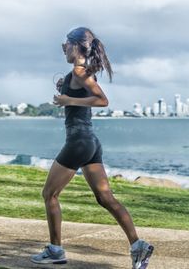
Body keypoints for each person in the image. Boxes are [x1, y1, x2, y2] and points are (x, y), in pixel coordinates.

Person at [30, 27, 154, 269]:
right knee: (105, 197)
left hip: (78, 143)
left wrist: (69, 99)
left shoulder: (80, 71)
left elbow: (102, 100)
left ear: (77, 46)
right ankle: (138, 246)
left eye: (65, 44)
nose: (63, 48)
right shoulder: (78, 73)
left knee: (49, 194)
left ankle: (55, 250)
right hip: (90, 143)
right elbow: (82, 93)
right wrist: (65, 89)